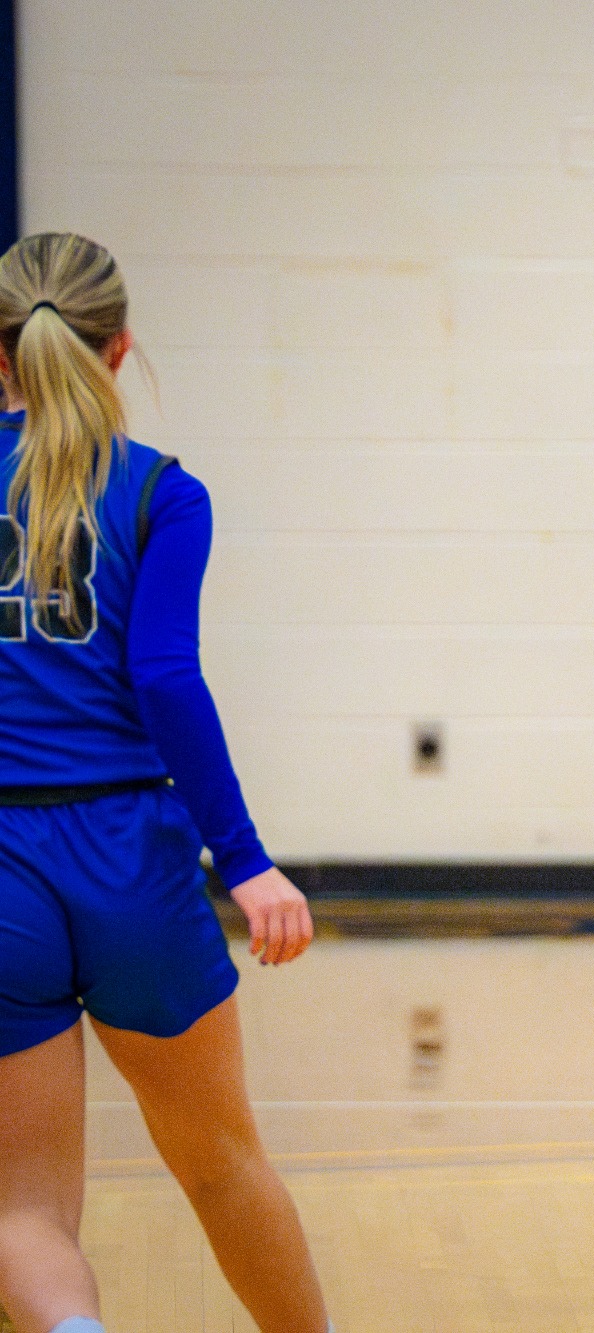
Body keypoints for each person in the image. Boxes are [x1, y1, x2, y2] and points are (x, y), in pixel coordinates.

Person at [0, 234, 329, 1333]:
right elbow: (163, 678)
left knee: (23, 1208)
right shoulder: (159, 490)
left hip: (3, 868)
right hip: (132, 857)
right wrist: (244, 859)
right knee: (223, 1164)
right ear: (120, 348)